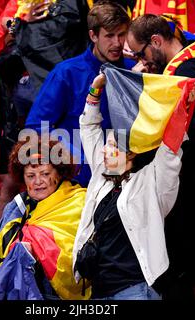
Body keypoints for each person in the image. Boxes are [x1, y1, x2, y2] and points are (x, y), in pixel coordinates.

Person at [72, 73, 195, 300]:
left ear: (131, 152)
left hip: (135, 290)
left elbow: (170, 150)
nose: (104, 150)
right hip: (99, 292)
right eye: (106, 144)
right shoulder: (101, 176)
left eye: (112, 146)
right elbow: (89, 127)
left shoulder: (152, 182)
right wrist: (95, 90)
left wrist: (185, 103)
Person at [126, 14, 195, 299]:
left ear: (156, 41)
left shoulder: (192, 69)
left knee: (194, 265)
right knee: (185, 262)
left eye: (140, 52)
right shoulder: (178, 67)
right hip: (181, 179)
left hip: (192, 181)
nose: (140, 58)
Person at [25, 0, 135, 187]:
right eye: (109, 36)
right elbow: (37, 127)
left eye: (122, 34)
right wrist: (78, 159)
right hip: (78, 182)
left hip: (126, 177)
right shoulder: (66, 72)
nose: (117, 43)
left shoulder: (133, 71)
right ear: (93, 35)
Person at [0, 137, 89, 300]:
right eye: (30, 176)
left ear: (59, 173)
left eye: (45, 174)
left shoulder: (81, 203)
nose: (38, 182)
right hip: (12, 291)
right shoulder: (15, 207)